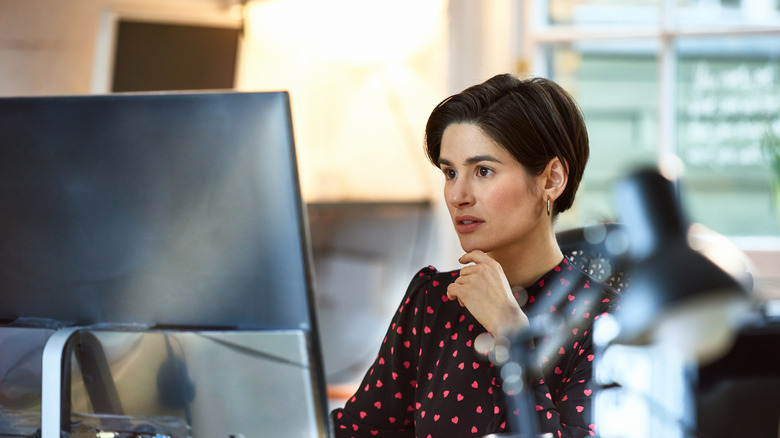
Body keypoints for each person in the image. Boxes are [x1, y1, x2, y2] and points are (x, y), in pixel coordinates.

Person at [331, 73, 620, 438]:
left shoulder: (606, 325)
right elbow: (359, 433)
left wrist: (511, 333)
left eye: (483, 171)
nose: (457, 195)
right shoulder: (432, 300)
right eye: (450, 172)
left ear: (551, 180)